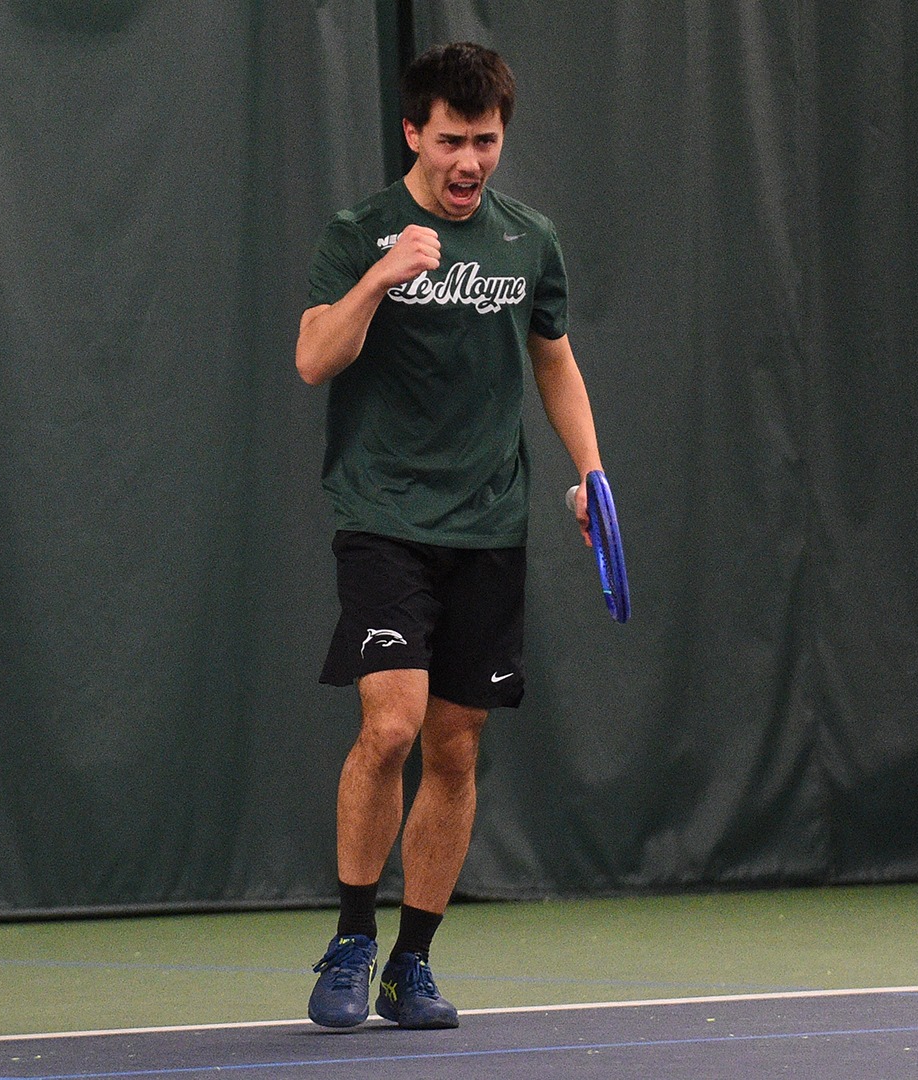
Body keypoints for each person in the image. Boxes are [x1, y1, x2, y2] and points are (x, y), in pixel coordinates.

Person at [294, 41, 605, 1030]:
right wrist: (381, 278)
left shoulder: (529, 239)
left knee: (456, 749)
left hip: (490, 524)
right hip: (384, 517)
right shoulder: (361, 232)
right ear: (412, 135)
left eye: (486, 141)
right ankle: (352, 940)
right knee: (389, 726)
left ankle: (410, 964)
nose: (470, 161)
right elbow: (314, 358)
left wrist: (590, 472)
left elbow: (553, 359)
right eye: (451, 141)